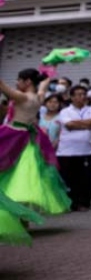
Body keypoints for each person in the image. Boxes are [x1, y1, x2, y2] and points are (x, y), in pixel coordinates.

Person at [0, 71, 69, 215]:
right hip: (29, 139)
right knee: (26, 177)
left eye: (19, 80)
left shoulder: (21, 97)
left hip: (14, 135)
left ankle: (16, 213)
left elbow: (1, 85)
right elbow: (44, 84)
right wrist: (50, 69)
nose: (17, 83)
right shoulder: (39, 97)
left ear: (28, 82)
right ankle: (24, 217)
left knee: (13, 173)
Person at [56, 85, 91, 211]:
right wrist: (86, 124)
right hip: (67, 151)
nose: (82, 97)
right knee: (68, 178)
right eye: (79, 94)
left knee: (85, 178)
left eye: (83, 94)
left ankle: (82, 202)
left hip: (86, 150)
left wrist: (78, 123)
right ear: (72, 97)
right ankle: (69, 203)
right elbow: (69, 125)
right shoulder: (65, 111)